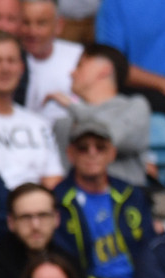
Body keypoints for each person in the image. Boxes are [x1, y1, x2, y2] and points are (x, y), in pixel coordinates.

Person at [52, 118, 155, 278]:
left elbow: (150, 247)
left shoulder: (131, 194)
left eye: (100, 147)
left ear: (112, 153)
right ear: (70, 154)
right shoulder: (58, 201)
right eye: (83, 148)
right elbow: (66, 268)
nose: (92, 153)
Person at [50, 43, 150, 187]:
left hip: (127, 203)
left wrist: (73, 106)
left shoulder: (134, 106)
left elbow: (109, 136)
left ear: (105, 70)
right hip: (75, 205)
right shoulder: (64, 122)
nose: (72, 73)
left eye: (80, 65)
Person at [0, 182, 70, 278]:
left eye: (43, 215)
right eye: (26, 217)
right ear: (11, 222)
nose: (35, 225)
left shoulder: (69, 261)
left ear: (57, 218)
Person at [0, 30, 62, 189]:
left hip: (35, 209)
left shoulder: (39, 124)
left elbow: (53, 181)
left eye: (11, 61)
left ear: (21, 68)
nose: (5, 68)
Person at [20, 0, 81, 123]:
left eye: (41, 23)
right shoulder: (5, 61)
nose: (32, 32)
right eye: (26, 23)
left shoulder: (79, 58)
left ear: (59, 25)